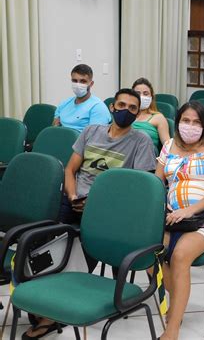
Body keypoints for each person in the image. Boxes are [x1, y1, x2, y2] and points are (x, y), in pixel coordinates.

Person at [22, 88, 156, 340]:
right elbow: (71, 170)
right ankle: (42, 295)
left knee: (81, 248)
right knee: (42, 239)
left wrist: (94, 204)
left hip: (108, 207)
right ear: (112, 107)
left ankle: (52, 314)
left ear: (138, 114)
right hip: (74, 199)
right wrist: (73, 197)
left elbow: (136, 187)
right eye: (121, 105)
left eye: (132, 108)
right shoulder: (91, 131)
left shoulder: (141, 141)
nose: (125, 111)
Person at [155, 101, 204, 340]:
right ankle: (179, 299)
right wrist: (162, 207)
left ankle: (173, 328)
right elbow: (157, 184)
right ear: (177, 123)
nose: (190, 126)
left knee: (179, 257)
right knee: (149, 253)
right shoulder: (168, 146)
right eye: (185, 121)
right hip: (170, 217)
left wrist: (189, 210)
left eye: (196, 122)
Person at [53, 64, 111, 132]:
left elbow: (95, 138)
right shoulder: (64, 104)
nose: (78, 85)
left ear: (91, 84)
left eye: (83, 81)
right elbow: (55, 128)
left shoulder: (98, 107)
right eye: (74, 81)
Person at [132, 77, 170, 147]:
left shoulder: (158, 118)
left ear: (151, 97)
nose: (141, 96)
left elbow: (167, 146)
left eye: (145, 94)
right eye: (137, 93)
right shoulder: (126, 115)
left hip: (146, 155)